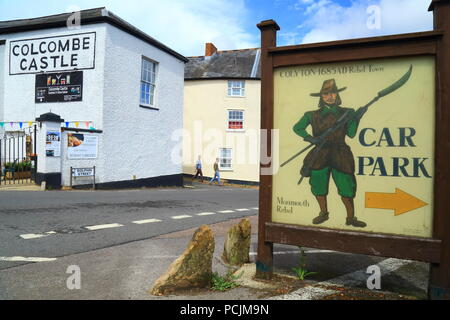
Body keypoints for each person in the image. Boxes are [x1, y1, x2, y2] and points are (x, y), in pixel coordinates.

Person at [293, 79, 367, 228]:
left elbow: (351, 134)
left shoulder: (348, 112)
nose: (330, 96)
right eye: (326, 94)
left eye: (332, 93)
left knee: (347, 186)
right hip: (320, 153)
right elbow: (297, 127)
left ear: (337, 95)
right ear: (321, 96)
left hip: (341, 153)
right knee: (318, 185)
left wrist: (356, 118)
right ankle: (323, 213)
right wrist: (311, 139)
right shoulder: (311, 115)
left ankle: (351, 218)